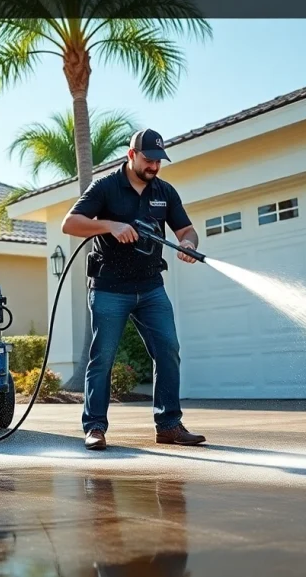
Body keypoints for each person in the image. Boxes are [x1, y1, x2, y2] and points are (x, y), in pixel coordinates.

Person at [61, 129, 206, 450]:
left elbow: (187, 229)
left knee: (168, 350)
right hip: (110, 287)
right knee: (102, 358)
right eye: (149, 159)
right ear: (131, 155)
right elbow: (70, 223)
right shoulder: (106, 187)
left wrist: (187, 243)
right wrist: (109, 225)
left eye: (159, 161)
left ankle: (168, 425)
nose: (154, 166)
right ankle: (95, 427)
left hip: (151, 287)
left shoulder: (165, 192)